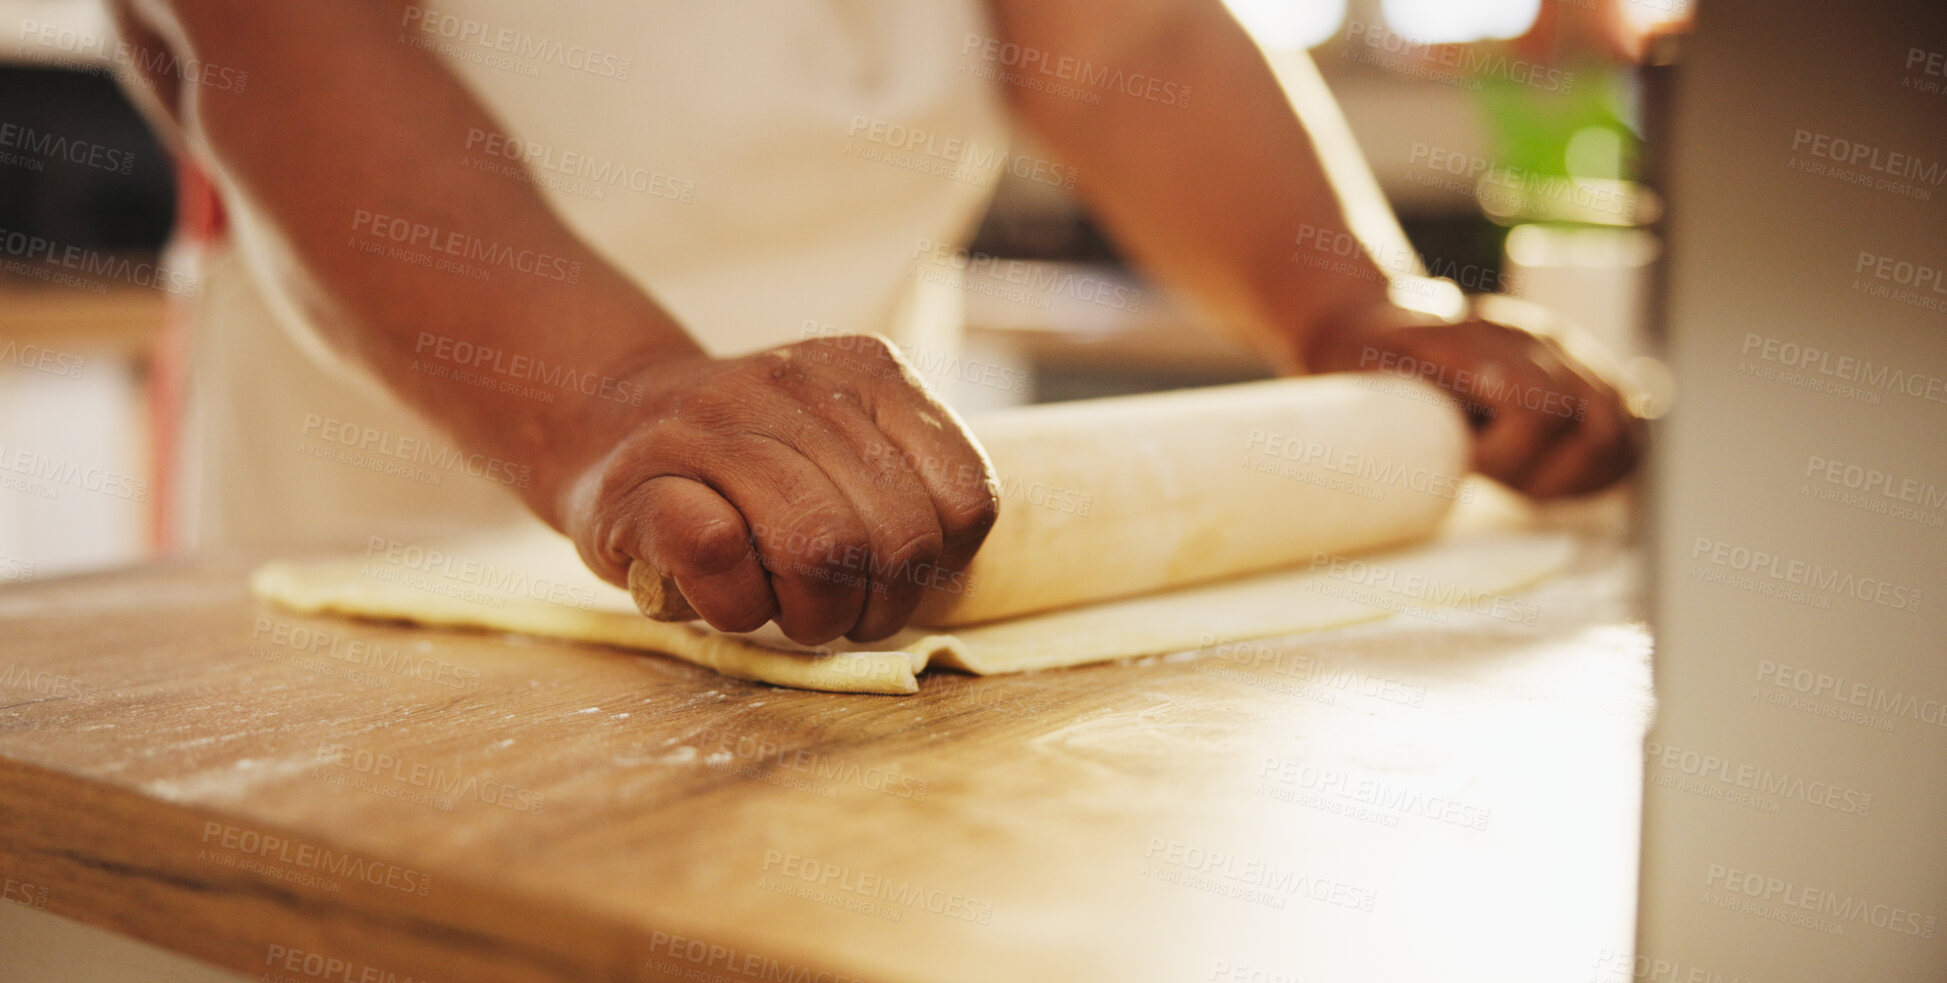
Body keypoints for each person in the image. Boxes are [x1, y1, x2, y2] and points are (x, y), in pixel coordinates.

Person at [108, 0, 1640, 647]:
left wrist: (1348, 301)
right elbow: (273, 44)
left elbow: (1128, 39)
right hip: (366, 549)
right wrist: (607, 403)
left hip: (848, 593)